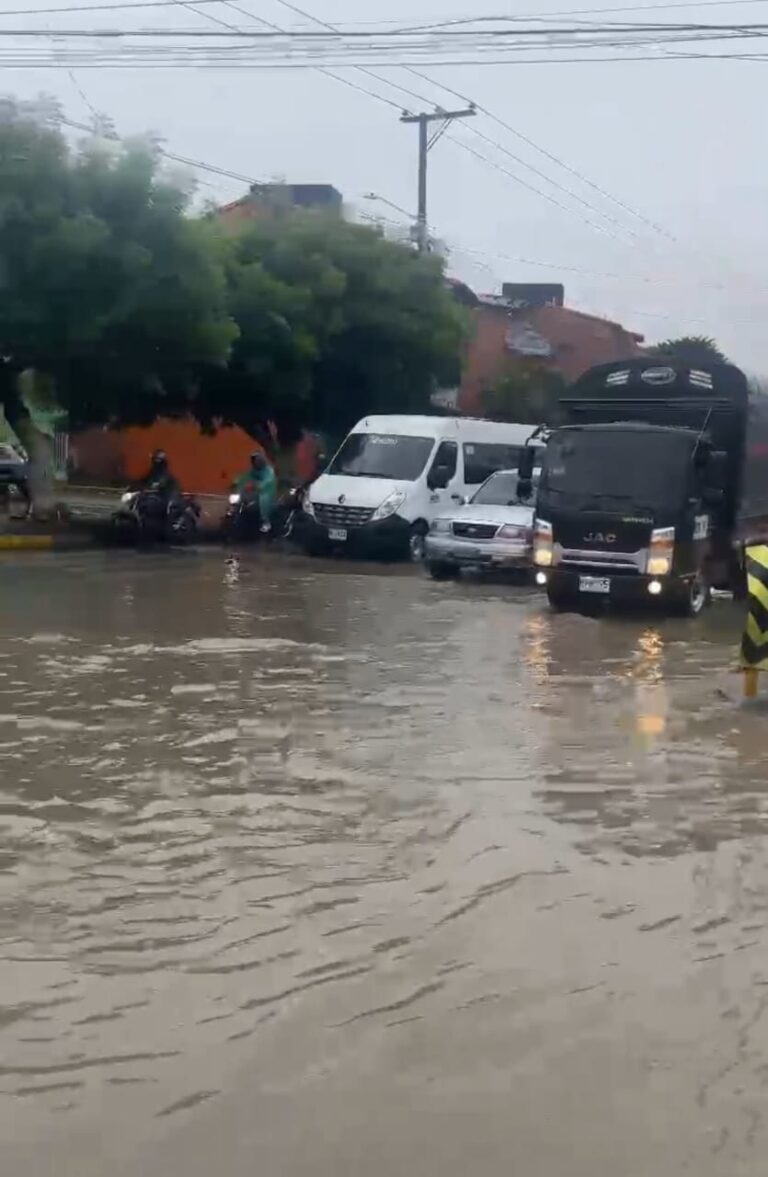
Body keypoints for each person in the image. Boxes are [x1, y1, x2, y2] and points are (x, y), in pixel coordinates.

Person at [233, 451, 277, 524]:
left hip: (267, 491)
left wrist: (259, 485)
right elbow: (246, 476)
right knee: (242, 496)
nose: (255, 462)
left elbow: (268, 481)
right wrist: (237, 481)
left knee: (263, 499)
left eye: (256, 459)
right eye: (253, 460)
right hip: (254, 492)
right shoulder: (254, 470)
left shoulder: (269, 471)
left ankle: (265, 521)